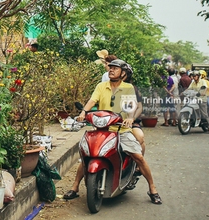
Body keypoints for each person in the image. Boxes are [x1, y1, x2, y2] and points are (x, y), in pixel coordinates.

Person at [64, 59, 162, 205]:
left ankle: (152, 189)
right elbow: (92, 101)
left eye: (115, 68)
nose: (111, 70)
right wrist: (83, 113)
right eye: (110, 68)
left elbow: (130, 106)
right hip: (102, 130)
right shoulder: (101, 86)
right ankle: (75, 188)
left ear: (123, 73)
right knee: (87, 156)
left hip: (121, 130)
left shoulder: (128, 87)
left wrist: (129, 118)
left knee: (138, 157)